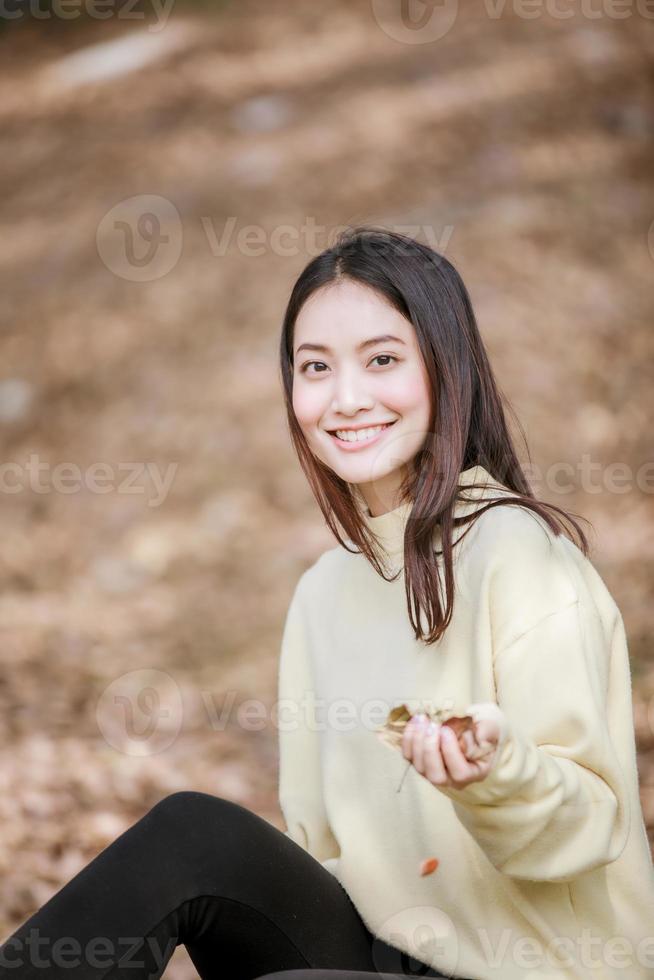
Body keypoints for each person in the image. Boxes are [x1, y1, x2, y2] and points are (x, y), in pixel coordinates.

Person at [0, 227, 652, 980]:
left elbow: (589, 829)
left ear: (448, 369)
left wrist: (493, 776)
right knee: (192, 834)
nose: (346, 399)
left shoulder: (520, 557)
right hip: (380, 957)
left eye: (382, 360)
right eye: (316, 367)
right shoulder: (323, 592)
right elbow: (320, 856)